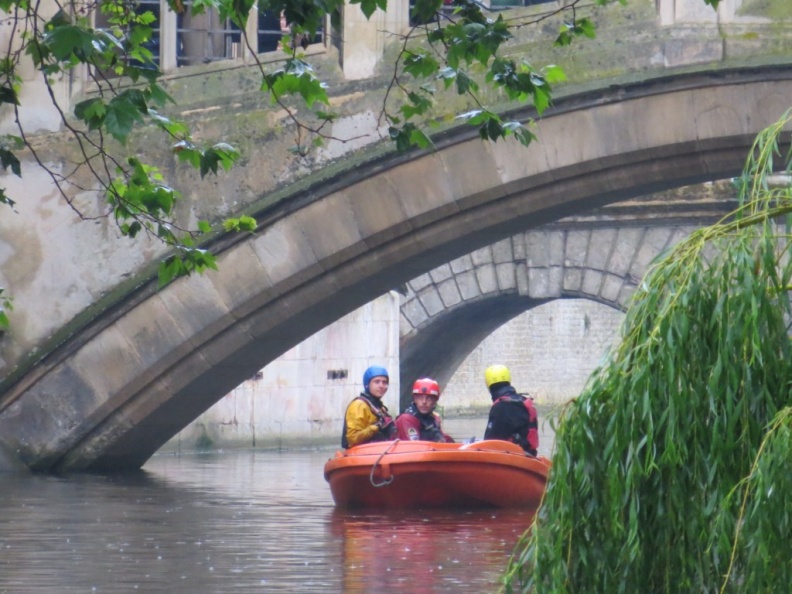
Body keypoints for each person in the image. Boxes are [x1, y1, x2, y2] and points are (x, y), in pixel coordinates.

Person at [483, 364, 539, 456]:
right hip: (529, 455)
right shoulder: (524, 401)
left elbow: (490, 441)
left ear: (489, 385)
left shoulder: (501, 406)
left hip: (510, 456)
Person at [342, 365, 397, 448]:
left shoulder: (380, 407)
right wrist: (376, 427)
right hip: (360, 454)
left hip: (378, 452)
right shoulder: (359, 405)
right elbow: (352, 438)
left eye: (384, 382)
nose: (381, 385)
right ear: (367, 384)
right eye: (377, 382)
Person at [395, 378, 455, 443]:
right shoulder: (406, 419)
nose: (424, 402)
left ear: (435, 401)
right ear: (415, 399)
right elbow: (414, 446)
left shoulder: (434, 419)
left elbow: (444, 439)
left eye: (428, 398)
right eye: (420, 398)